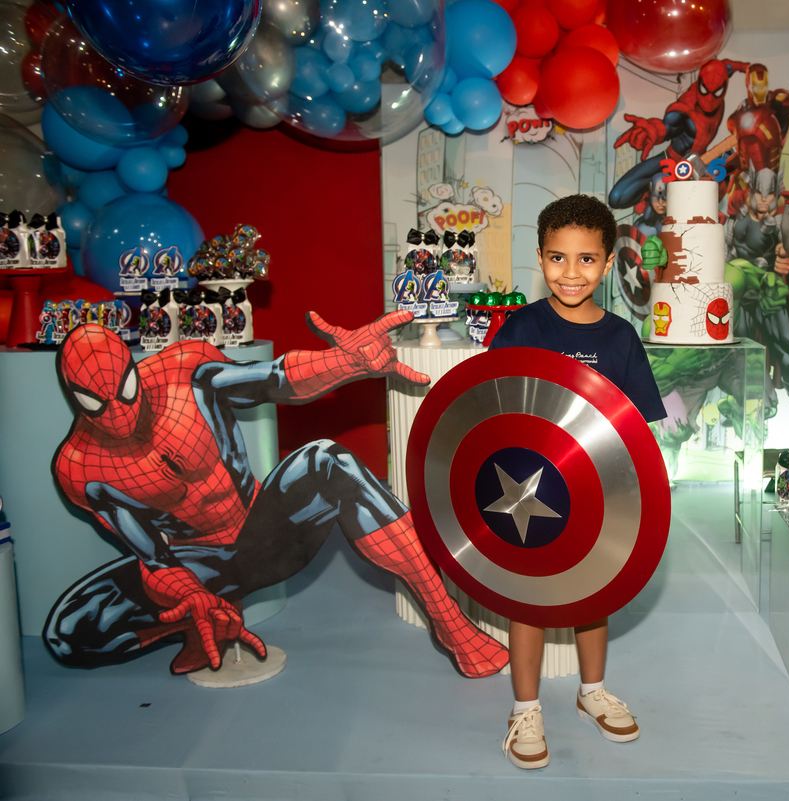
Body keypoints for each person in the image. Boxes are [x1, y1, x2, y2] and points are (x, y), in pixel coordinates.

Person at [46, 313, 509, 679]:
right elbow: (152, 556)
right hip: (199, 565)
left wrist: (345, 362)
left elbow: (271, 379)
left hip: (262, 534)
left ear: (133, 371)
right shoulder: (80, 467)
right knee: (67, 633)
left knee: (328, 461)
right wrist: (190, 595)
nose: (119, 414)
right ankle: (200, 622)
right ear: (74, 397)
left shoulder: (181, 373)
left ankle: (449, 621)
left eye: (125, 392)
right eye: (96, 403)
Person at [488, 194, 667, 770]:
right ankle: (524, 708)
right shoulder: (521, 328)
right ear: (540, 258)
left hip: (600, 495)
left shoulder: (621, 338)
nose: (571, 272)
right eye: (558, 258)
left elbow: (639, 429)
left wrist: (643, 494)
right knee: (528, 598)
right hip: (526, 492)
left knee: (594, 592)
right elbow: (489, 407)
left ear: (609, 263)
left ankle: (592, 693)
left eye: (586, 259)